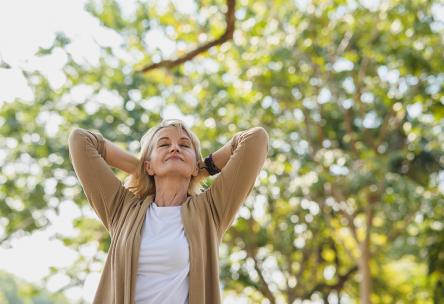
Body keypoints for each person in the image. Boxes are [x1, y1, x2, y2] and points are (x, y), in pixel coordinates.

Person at [68, 118, 269, 304]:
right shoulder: (122, 209)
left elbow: (255, 139)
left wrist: (203, 168)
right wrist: (142, 169)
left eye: (184, 145)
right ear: (149, 165)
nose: (174, 148)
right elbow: (81, 140)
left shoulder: (210, 210)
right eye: (164, 144)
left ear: (195, 166)